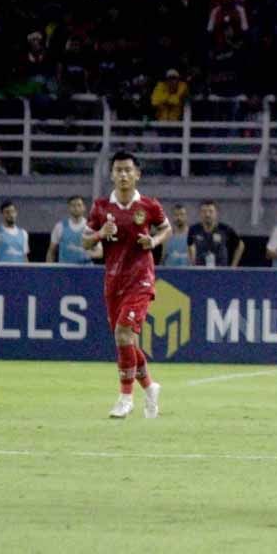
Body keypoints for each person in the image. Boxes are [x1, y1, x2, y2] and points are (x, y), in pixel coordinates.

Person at [81, 151, 172, 419]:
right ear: (111, 174)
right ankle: (150, 387)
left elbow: (167, 228)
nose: (123, 175)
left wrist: (154, 242)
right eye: (118, 170)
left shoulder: (148, 206)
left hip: (141, 279)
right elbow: (85, 241)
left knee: (123, 334)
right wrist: (100, 234)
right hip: (113, 281)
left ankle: (125, 397)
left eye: (128, 170)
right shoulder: (100, 207)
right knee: (126, 339)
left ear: (137, 174)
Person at [46, 195, 103, 264]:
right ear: (69, 208)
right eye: (73, 205)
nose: (76, 208)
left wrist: (85, 253)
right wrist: (49, 271)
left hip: (86, 270)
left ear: (84, 208)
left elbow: (100, 253)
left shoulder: (91, 228)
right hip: (64, 271)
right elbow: (51, 251)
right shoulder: (59, 227)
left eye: (79, 205)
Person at [187, 200, 244, 267]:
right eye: (204, 211)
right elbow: (189, 246)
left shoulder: (225, 229)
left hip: (221, 271)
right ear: (200, 213)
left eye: (211, 211)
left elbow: (240, 245)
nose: (207, 214)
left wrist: (233, 266)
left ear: (216, 213)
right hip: (200, 270)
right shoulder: (193, 229)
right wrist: (192, 263)